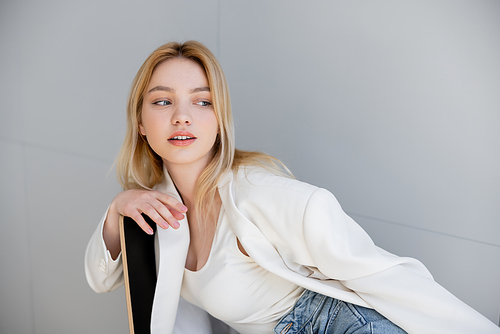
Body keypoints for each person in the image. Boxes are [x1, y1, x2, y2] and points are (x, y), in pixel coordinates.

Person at [85, 40, 500, 334]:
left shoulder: (261, 195)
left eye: (202, 100)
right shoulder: (154, 209)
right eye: (162, 101)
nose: (182, 116)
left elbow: (387, 275)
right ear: (140, 123)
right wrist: (116, 209)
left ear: (219, 118)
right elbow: (102, 280)